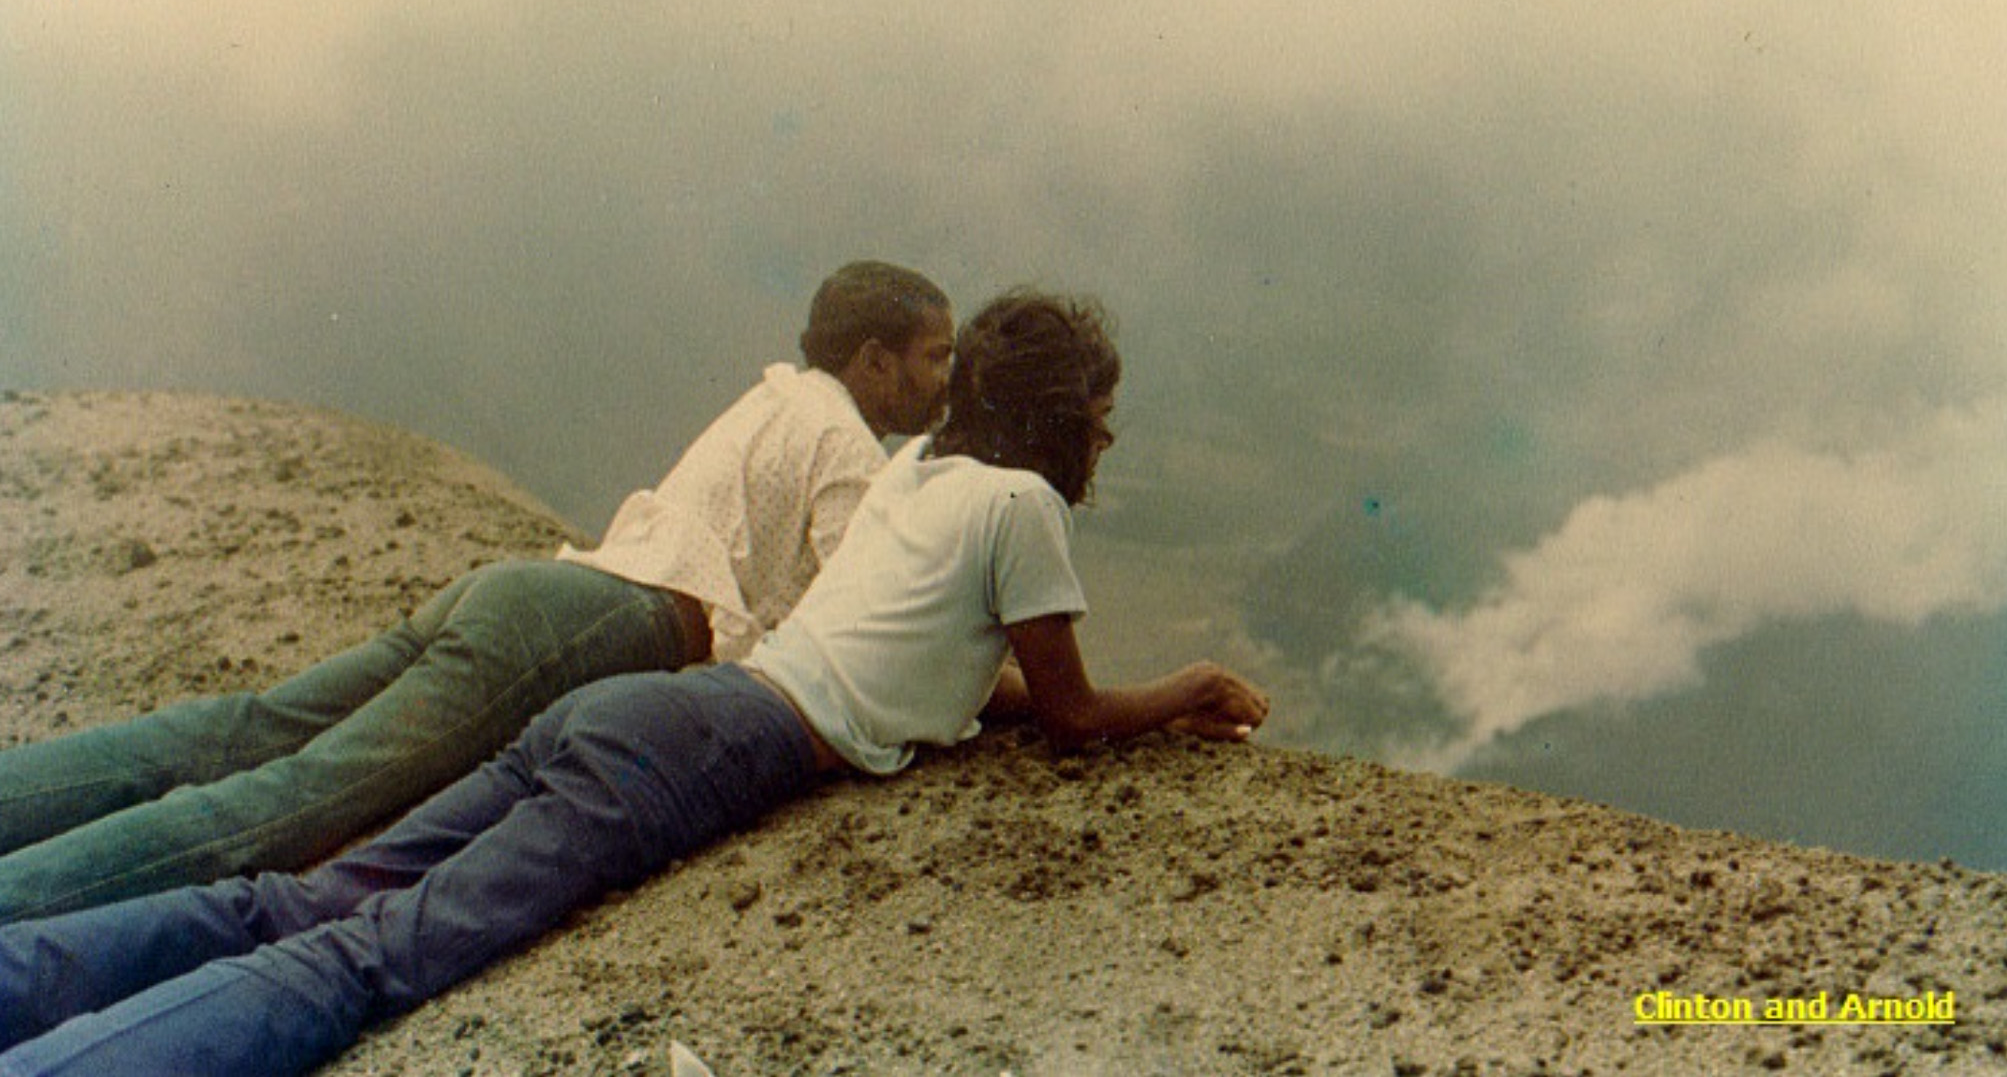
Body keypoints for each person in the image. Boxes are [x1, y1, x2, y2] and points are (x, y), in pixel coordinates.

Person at [0, 289, 1270, 1077]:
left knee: (301, 898)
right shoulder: (1025, 507)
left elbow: (928, 669)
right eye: (1097, 416)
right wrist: (1193, 687)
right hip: (693, 749)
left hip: (627, 710)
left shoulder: (922, 481)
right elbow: (1068, 712)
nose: (1103, 439)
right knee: (371, 962)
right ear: (1058, 422)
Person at [0, 261, 954, 923]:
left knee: (245, 730)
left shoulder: (783, 396)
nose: (941, 380)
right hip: (602, 622)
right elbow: (853, 621)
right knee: (294, 800)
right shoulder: (844, 444)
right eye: (932, 355)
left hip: (534, 591)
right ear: (872, 358)